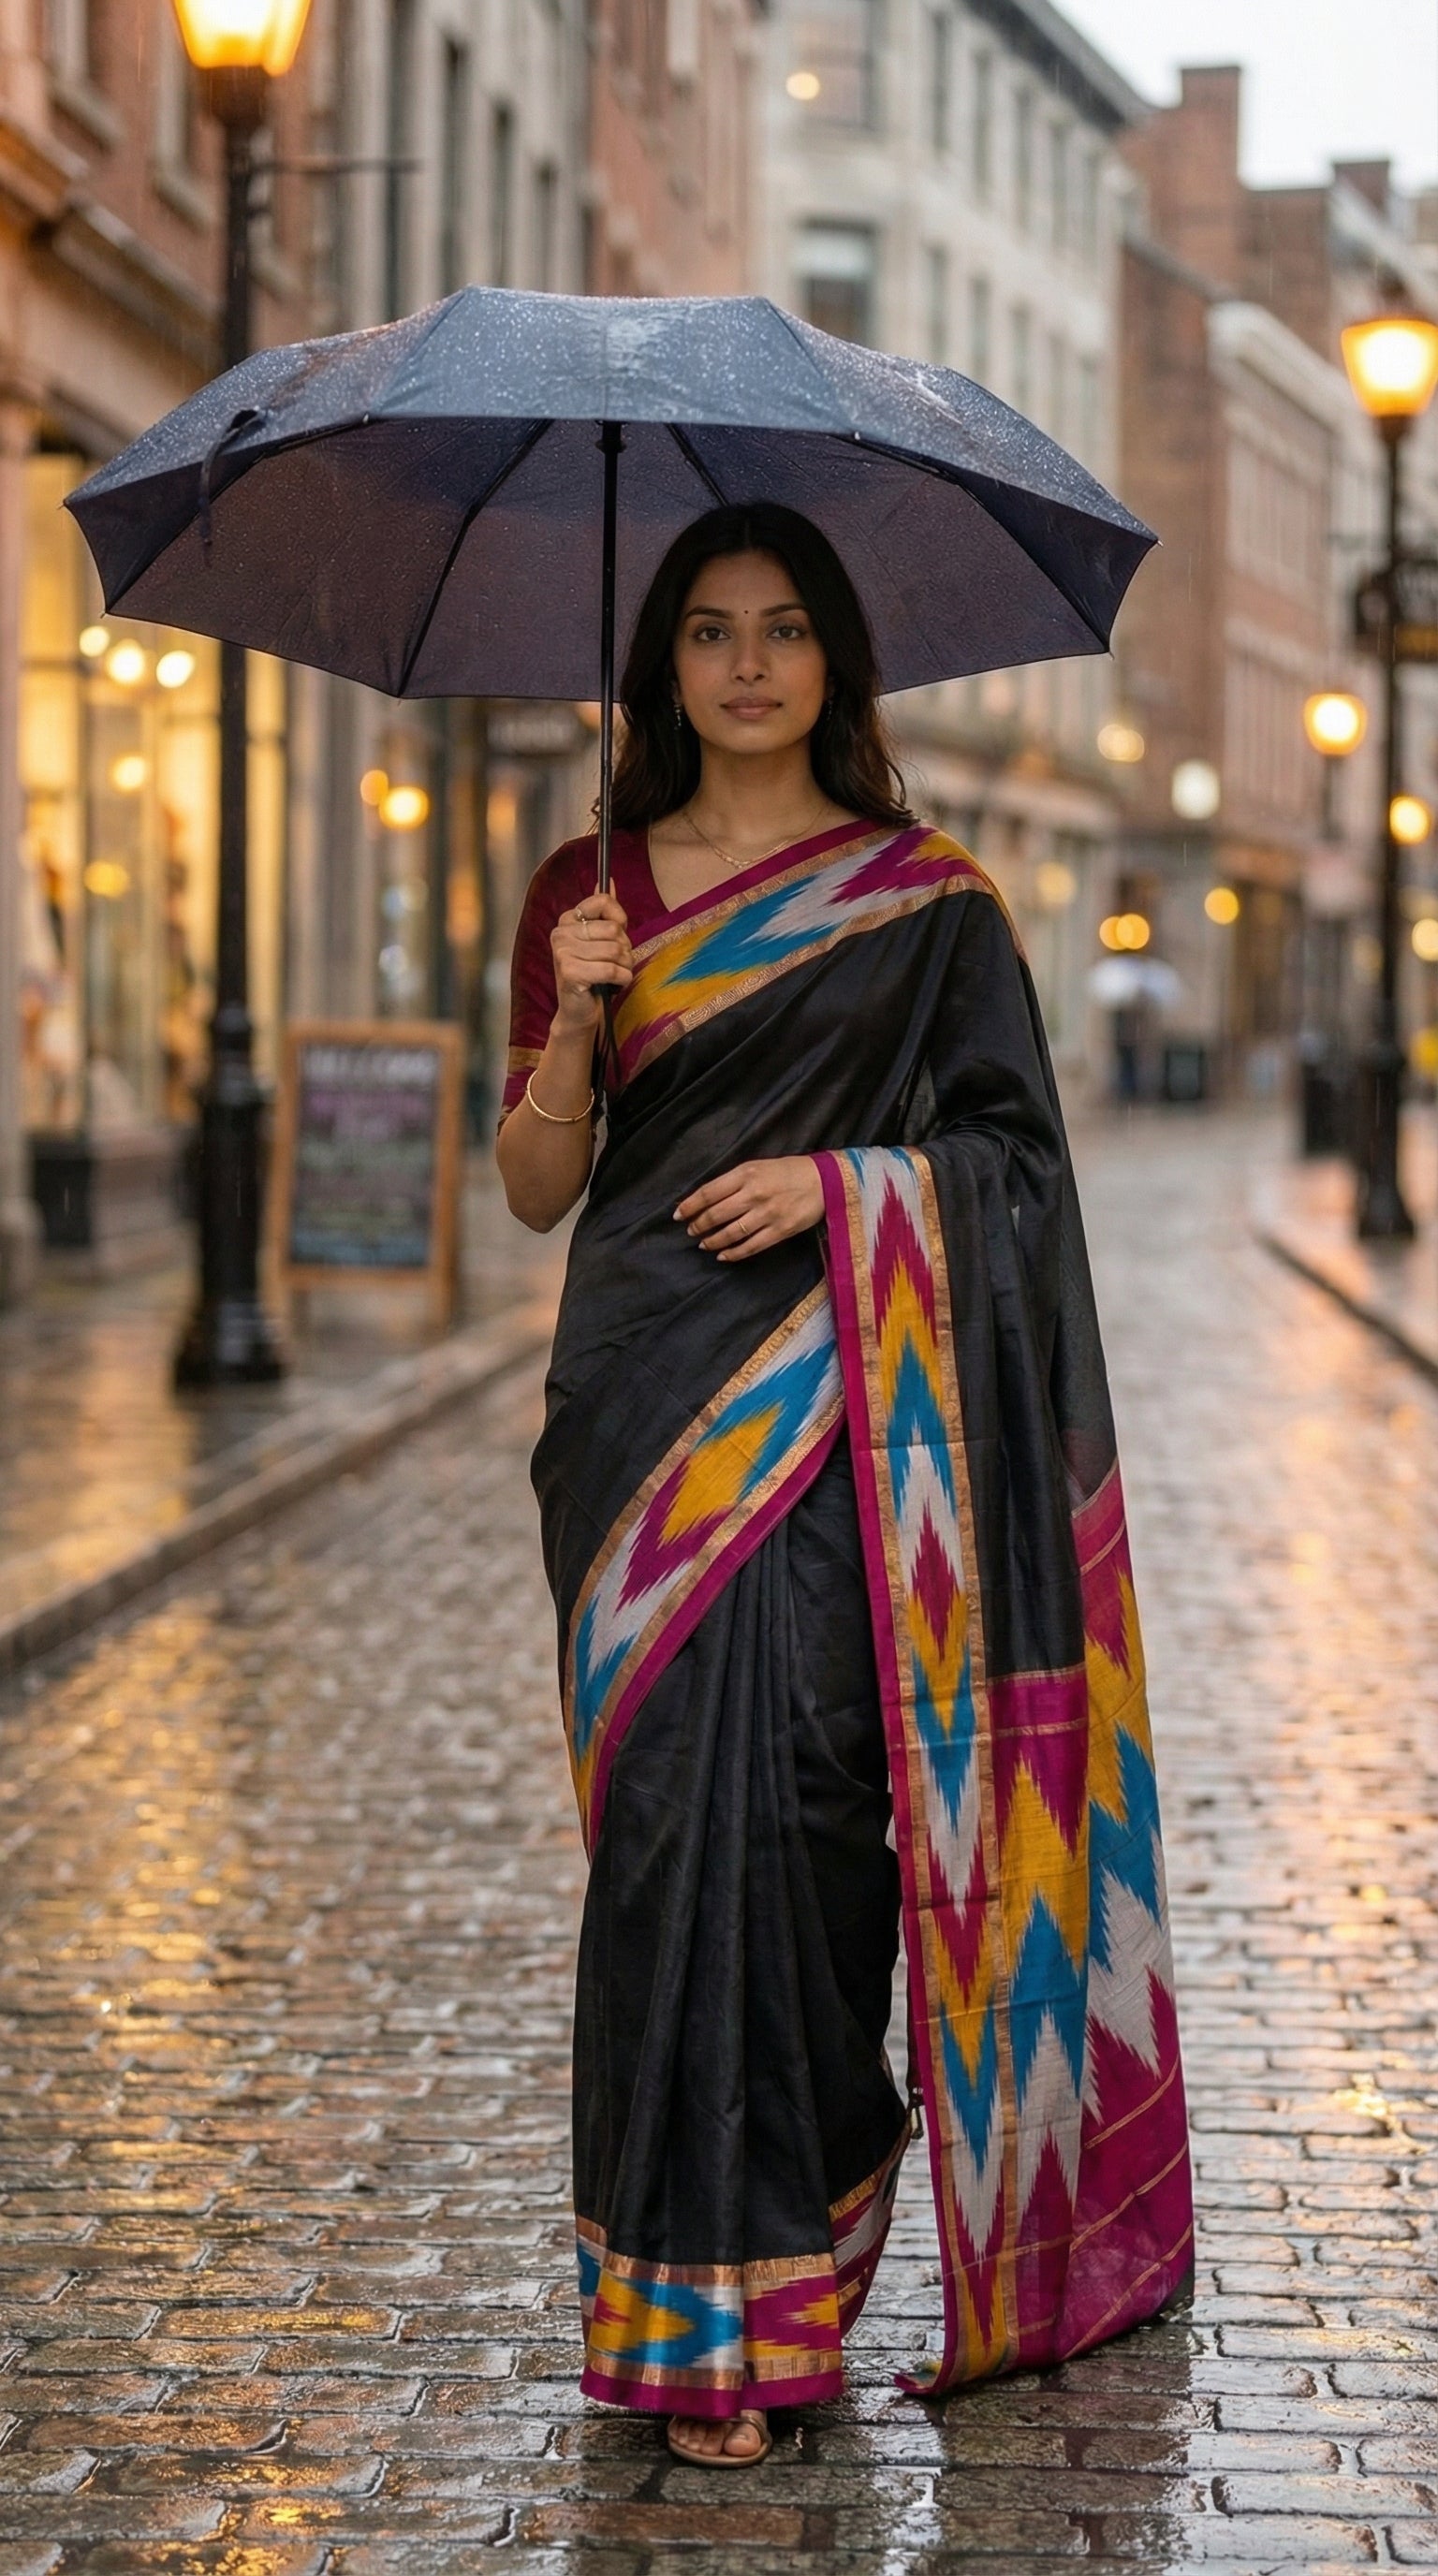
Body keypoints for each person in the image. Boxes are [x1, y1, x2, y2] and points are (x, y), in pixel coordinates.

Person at [497, 504, 1192, 2468]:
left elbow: (1024, 1176)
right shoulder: (589, 883)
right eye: (708, 630)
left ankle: (796, 2242)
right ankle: (675, 2313)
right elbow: (540, 1184)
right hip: (635, 1421)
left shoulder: (931, 901)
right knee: (655, 1858)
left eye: (783, 630)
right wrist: (574, 1011)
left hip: (846, 1426)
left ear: (835, 662)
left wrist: (840, 1190)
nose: (743, 664)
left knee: (807, 1817)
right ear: (662, 663)